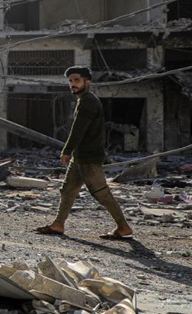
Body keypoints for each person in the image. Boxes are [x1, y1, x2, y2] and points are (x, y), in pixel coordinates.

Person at [35, 66, 133, 240]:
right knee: (68, 190)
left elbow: (78, 129)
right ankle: (58, 224)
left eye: (76, 80)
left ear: (87, 82)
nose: (73, 84)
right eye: (71, 81)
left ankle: (123, 226)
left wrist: (66, 150)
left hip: (89, 157)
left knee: (100, 193)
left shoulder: (88, 101)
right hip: (80, 157)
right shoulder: (84, 100)